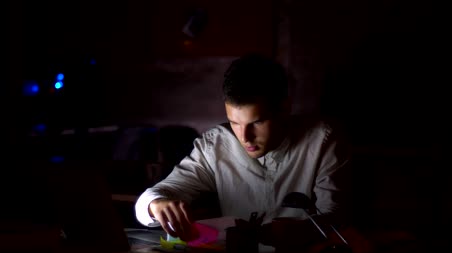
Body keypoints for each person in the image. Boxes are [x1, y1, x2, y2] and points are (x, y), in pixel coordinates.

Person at [135, 53, 352, 243]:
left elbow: (337, 220)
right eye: (235, 123)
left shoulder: (323, 140)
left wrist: (301, 231)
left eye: (256, 122)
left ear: (285, 108)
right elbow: (151, 198)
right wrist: (157, 204)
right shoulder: (215, 146)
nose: (244, 137)